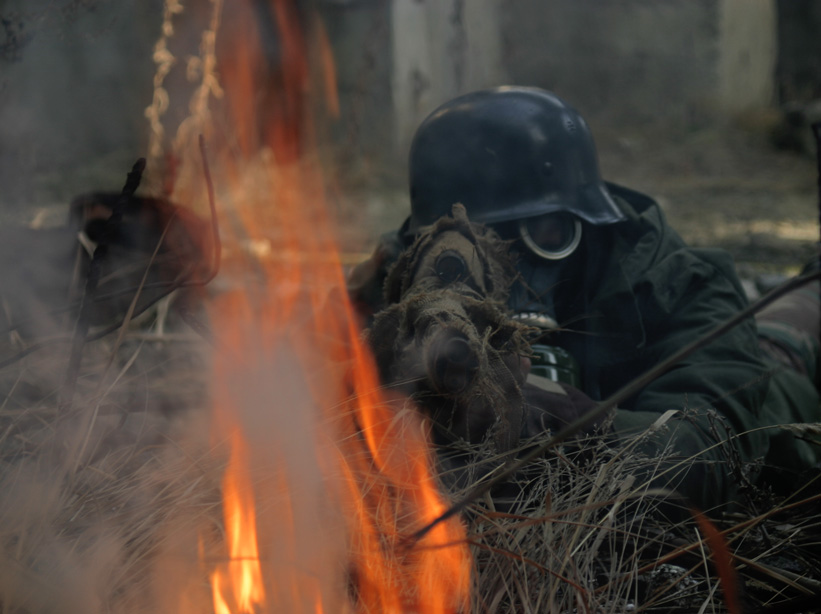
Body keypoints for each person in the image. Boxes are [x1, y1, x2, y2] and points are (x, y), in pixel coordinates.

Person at [348, 86, 821, 511]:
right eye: (483, 244)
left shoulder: (676, 281)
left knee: (787, 336)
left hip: (770, 389)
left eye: (542, 236)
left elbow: (712, 450)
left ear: (584, 224)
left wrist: (567, 427)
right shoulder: (403, 283)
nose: (513, 278)